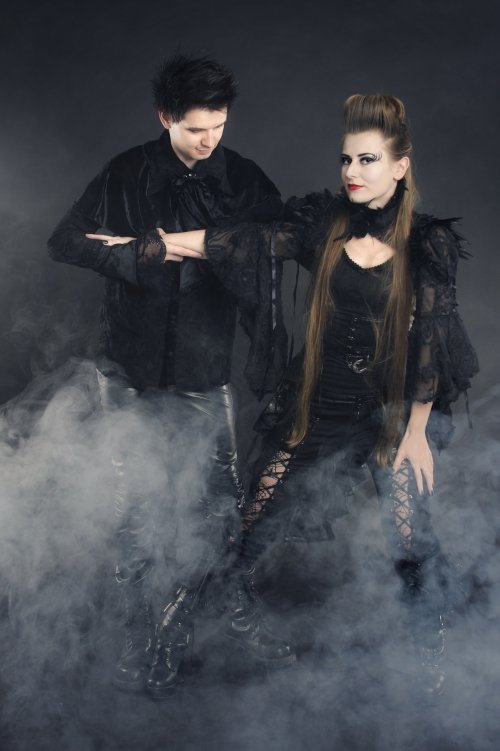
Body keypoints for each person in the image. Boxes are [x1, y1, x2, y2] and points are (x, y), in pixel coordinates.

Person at [159, 93, 479, 695]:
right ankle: (168, 636)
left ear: (401, 166)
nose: (353, 172)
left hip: (390, 415)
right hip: (320, 407)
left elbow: (432, 340)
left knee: (409, 540)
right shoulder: (324, 226)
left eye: (368, 160)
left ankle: (432, 664)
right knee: (248, 528)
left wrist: (416, 432)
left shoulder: (426, 243)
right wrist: (159, 244)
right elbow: (247, 242)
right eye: (346, 160)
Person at [47, 53, 294, 700]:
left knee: (223, 509)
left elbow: (283, 241)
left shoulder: (242, 177)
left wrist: (183, 243)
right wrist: (139, 252)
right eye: (194, 129)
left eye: (219, 126)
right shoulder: (126, 170)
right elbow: (65, 241)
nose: (209, 140)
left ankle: (235, 613)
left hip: (204, 370)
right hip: (126, 369)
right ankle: (142, 635)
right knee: (132, 513)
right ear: (165, 118)